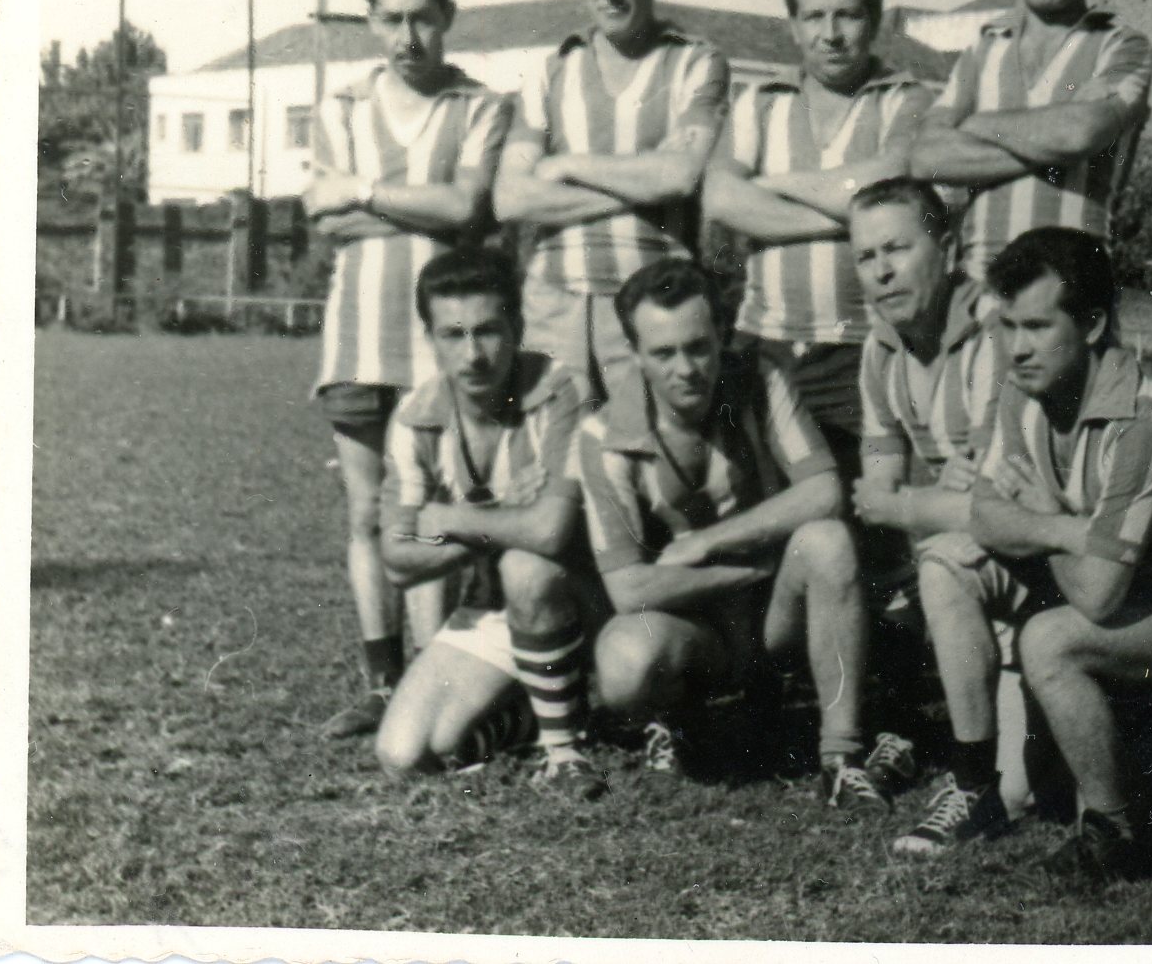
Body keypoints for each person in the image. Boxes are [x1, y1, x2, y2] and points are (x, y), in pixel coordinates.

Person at [570, 258, 910, 807]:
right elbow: (628, 589)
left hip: (773, 613)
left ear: (722, 336)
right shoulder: (603, 434)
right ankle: (681, 718)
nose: (686, 369)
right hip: (695, 626)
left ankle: (841, 758)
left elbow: (824, 490)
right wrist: (752, 567)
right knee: (624, 663)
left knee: (828, 542)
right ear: (635, 354)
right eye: (663, 353)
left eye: (698, 347)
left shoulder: (760, 377)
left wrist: (708, 542)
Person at [906, 227, 1152, 878]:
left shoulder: (1145, 419)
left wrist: (1043, 517)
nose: (1016, 348)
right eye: (1007, 326)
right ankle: (974, 779)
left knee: (1049, 640)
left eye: (1037, 326)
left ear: (1092, 325)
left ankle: (1113, 829)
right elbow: (984, 515)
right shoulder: (1024, 389)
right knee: (945, 562)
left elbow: (1099, 595)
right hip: (1086, 580)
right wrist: (1066, 529)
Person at [304, 0, 513, 739]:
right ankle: (381, 682)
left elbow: (465, 208)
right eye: (390, 19)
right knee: (366, 510)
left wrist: (362, 189)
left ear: (447, 16)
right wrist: (419, 207)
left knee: (433, 510)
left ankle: (434, 676)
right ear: (369, 20)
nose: (406, 37)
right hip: (357, 335)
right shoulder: (342, 107)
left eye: (421, 18)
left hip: (441, 344)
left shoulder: (478, 107)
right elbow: (324, 221)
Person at [372, 248, 607, 798]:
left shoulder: (560, 389)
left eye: (488, 331)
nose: (473, 355)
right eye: (453, 335)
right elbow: (398, 559)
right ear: (430, 339)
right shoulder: (415, 417)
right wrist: (499, 514)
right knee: (406, 754)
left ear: (518, 328)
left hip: (585, 598)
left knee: (528, 566)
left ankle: (563, 750)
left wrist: (449, 519)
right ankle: (542, 708)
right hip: (493, 605)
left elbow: (550, 533)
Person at [838, 178, 1030, 852]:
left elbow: (990, 502)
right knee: (878, 556)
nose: (882, 271)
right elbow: (875, 487)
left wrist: (909, 503)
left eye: (897, 248)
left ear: (946, 250)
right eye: (866, 257)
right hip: (961, 551)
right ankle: (910, 728)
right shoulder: (879, 347)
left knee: (1024, 792)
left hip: (1039, 554)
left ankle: (971, 781)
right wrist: (923, 500)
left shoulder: (993, 330)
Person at [704, 0, 935, 479]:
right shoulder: (760, 102)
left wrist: (770, 185)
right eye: (814, 16)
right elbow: (720, 199)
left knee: (864, 504)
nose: (830, 34)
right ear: (792, 24)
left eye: (847, 15)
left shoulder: (904, 100)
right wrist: (853, 216)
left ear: (874, 21)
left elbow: (892, 178)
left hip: (866, 349)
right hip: (765, 348)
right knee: (770, 500)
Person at [494, 0, 729, 406]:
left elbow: (680, 176)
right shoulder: (550, 71)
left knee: (646, 447)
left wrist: (566, 165)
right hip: (554, 304)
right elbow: (511, 199)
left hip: (658, 306)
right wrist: (642, 184)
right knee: (555, 446)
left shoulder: (693, 63)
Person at [911, 0, 1152, 285]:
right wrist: (1055, 145)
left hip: (1071, 292)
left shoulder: (1120, 45)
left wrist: (972, 125)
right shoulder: (984, 49)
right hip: (981, 292)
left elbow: (1078, 134)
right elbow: (925, 157)